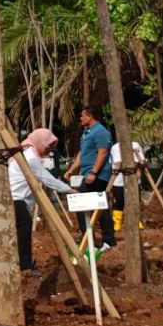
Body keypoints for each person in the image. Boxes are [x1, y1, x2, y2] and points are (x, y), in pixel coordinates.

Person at [8, 128, 72, 274]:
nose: (49, 150)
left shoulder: (29, 153)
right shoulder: (30, 158)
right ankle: (24, 266)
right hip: (15, 198)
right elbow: (47, 179)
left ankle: (21, 263)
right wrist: (69, 190)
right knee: (24, 227)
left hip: (18, 199)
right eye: (48, 146)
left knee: (21, 229)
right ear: (39, 142)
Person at [67, 105, 116, 251]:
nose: (81, 118)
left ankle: (92, 240)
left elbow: (102, 152)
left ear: (90, 116)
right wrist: (71, 170)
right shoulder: (87, 133)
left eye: (83, 115)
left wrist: (94, 172)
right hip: (88, 173)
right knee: (100, 206)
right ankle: (106, 240)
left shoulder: (100, 132)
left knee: (81, 203)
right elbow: (81, 154)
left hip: (98, 175)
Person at [109, 139, 145, 232]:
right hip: (119, 179)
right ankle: (117, 222)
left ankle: (137, 220)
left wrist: (138, 168)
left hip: (134, 178)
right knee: (119, 201)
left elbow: (141, 160)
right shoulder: (115, 147)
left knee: (135, 200)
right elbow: (118, 162)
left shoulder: (135, 144)